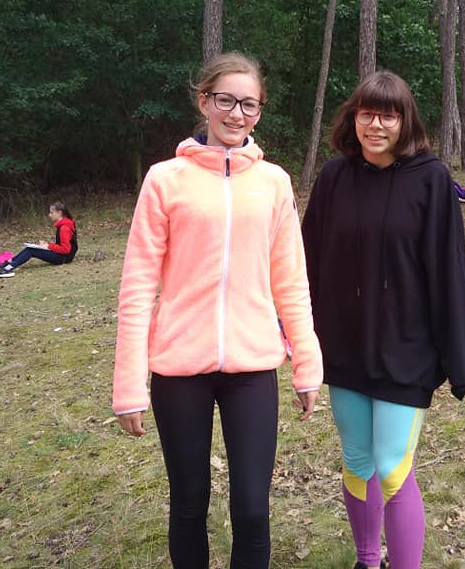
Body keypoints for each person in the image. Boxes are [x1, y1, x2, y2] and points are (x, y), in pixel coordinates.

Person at [112, 52, 323, 568]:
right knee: (189, 504)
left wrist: (307, 363)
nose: (237, 114)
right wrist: (128, 385)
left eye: (250, 104)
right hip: (179, 368)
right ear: (204, 101)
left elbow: (291, 281)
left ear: (260, 110)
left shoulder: (274, 182)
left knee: (252, 509)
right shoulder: (164, 179)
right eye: (226, 100)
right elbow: (137, 286)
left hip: (252, 368)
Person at [301, 71, 465, 569]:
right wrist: (297, 333)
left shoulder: (431, 179)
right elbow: (306, 259)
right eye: (367, 114)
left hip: (406, 349)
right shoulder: (334, 177)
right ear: (352, 118)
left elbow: (448, 269)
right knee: (357, 461)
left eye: (388, 116)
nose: (375, 125)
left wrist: (457, 355)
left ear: (405, 122)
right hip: (345, 345)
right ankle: (366, 559)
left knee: (392, 468)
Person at [0, 202, 78, 278]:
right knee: (30, 248)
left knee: (31, 251)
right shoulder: (64, 224)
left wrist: (48, 246)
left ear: (59, 213)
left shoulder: (64, 228)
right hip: (63, 256)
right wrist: (47, 245)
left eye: (52, 213)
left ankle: (7, 269)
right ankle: (8, 264)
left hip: (63, 258)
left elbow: (65, 249)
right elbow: (63, 244)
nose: (49, 215)